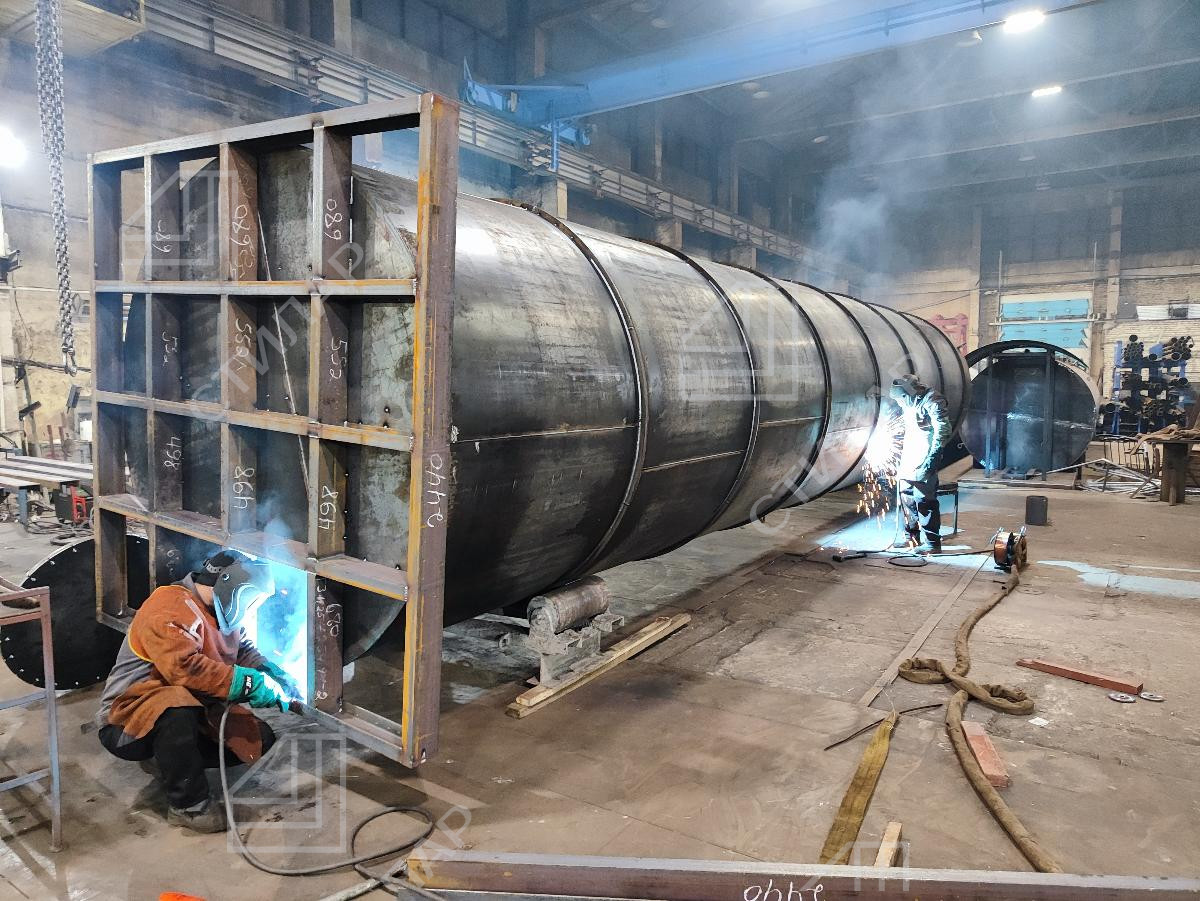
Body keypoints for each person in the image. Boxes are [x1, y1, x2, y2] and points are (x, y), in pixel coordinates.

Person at [96, 550, 298, 833]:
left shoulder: (218, 610)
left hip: (192, 711)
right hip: (127, 722)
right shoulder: (168, 608)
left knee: (256, 739)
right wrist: (249, 684)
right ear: (232, 586)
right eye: (252, 601)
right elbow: (185, 669)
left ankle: (168, 760)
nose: (251, 609)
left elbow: (241, 649)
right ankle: (188, 806)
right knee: (176, 708)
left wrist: (267, 671)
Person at [890, 374, 952, 553]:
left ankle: (932, 543)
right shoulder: (908, 402)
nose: (899, 404)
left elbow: (943, 431)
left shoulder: (932, 401)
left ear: (907, 395)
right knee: (906, 497)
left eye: (900, 400)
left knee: (924, 500)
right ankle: (912, 538)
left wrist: (931, 461)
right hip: (910, 456)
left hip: (925, 457)